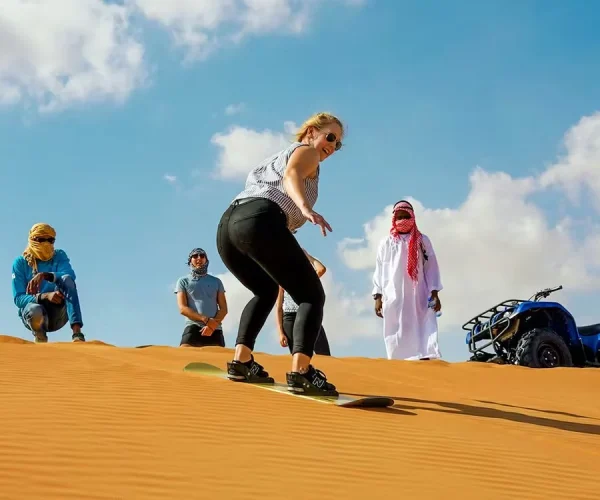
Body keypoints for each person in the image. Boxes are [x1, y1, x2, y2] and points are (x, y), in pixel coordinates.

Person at [216, 111, 344, 396]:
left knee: (265, 290)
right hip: (260, 218)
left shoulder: (275, 157)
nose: (332, 147)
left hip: (228, 226)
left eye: (338, 144)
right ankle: (302, 372)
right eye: (330, 137)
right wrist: (305, 207)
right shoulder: (305, 151)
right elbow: (292, 175)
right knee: (311, 295)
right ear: (311, 131)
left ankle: (242, 361)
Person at [372, 200, 443, 360]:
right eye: (399, 217)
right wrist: (378, 296)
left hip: (419, 292)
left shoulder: (422, 241)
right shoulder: (386, 242)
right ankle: (398, 358)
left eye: (406, 216)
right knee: (395, 326)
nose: (402, 220)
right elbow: (380, 269)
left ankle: (426, 355)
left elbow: (431, 266)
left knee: (423, 322)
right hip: (393, 293)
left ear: (412, 217)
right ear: (394, 219)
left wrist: (434, 292)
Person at [11, 223, 86, 343]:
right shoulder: (20, 263)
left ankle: (77, 334)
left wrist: (46, 275)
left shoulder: (59, 256)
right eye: (41, 240)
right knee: (35, 310)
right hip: (34, 314)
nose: (46, 244)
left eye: (50, 240)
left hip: (58, 312)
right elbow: (18, 298)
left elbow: (70, 275)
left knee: (67, 279)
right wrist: (45, 296)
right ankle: (41, 341)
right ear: (32, 240)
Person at [275, 248, 331, 356]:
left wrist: (307, 255)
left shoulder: (306, 278)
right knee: (298, 355)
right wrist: (280, 332)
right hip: (290, 319)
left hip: (309, 316)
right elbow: (278, 308)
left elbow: (321, 269)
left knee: (324, 354)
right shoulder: (281, 279)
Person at [174, 248, 228, 348]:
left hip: (215, 329)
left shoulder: (216, 281)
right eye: (195, 256)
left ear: (206, 260)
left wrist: (212, 325)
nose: (199, 258)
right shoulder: (183, 281)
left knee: (217, 361)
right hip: (193, 326)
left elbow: (224, 309)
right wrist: (205, 320)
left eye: (202, 256)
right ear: (190, 260)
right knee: (184, 357)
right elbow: (182, 308)